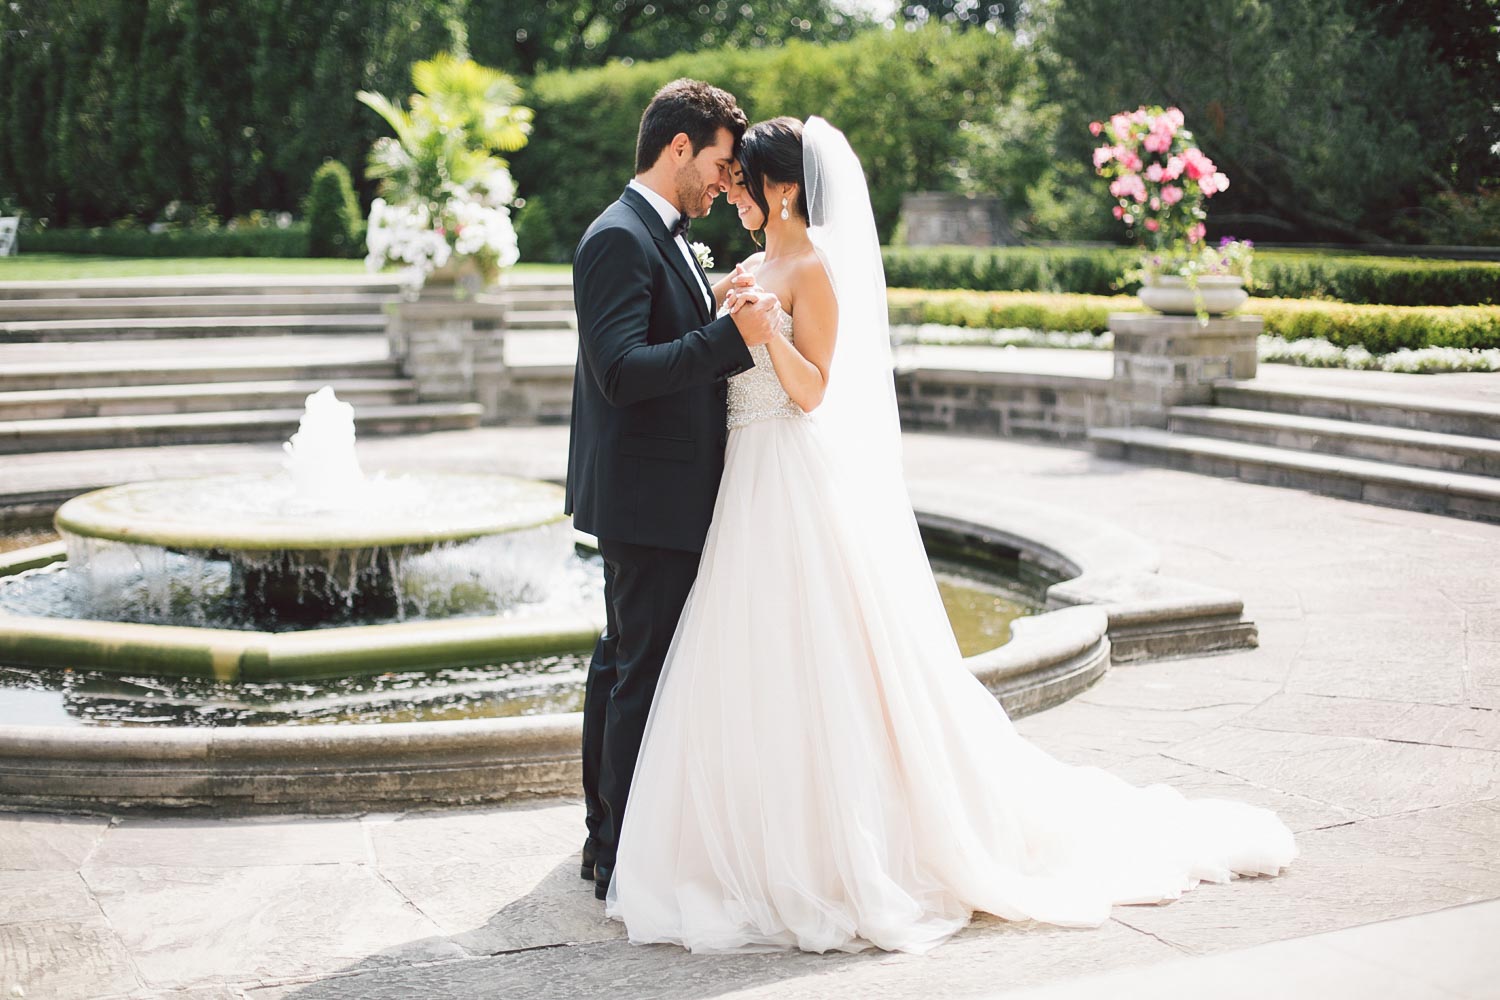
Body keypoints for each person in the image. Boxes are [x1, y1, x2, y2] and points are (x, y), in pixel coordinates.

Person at [603, 116, 1298, 955]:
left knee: (821, 656)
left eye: (745, 183)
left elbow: (815, 390)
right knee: (745, 657)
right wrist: (735, 315)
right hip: (740, 482)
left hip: (788, 468)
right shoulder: (752, 266)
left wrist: (758, 339)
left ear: (783, 187)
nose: (735, 195)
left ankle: (843, 850)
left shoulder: (815, 269)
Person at [565, 79, 787, 903]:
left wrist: (713, 304)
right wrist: (730, 336)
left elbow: (662, 338)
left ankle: (604, 838)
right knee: (639, 674)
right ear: (680, 147)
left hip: (655, 495)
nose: (725, 184)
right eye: (721, 164)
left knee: (624, 666)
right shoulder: (618, 237)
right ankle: (621, 854)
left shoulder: (662, 234)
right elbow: (622, 372)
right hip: (647, 499)